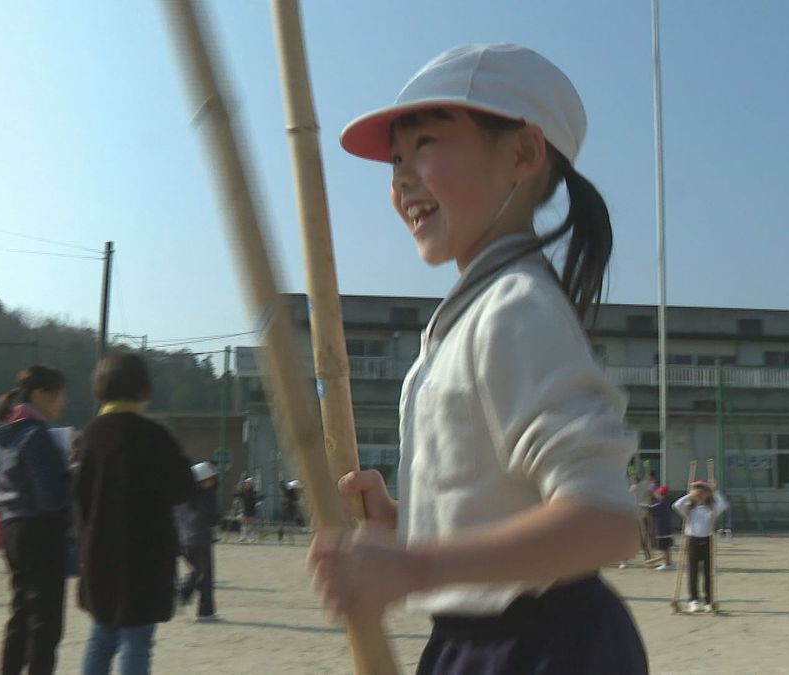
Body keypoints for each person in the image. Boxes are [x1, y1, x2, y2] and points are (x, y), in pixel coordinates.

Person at [309, 44, 647, 674]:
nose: (402, 178)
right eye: (396, 160)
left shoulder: (517, 308)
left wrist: (415, 566)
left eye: (427, 145)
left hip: (544, 649)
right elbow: (508, 505)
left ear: (522, 153)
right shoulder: (474, 313)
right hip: (481, 643)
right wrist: (407, 523)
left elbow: (605, 521)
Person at [74, 352, 194, 675]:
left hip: (98, 551)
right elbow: (183, 489)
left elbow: (78, 497)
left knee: (101, 635)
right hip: (145, 556)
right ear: (145, 390)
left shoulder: (88, 437)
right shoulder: (155, 436)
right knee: (136, 639)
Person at [0, 366, 72, 675]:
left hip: (13, 528)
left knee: (21, 617)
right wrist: (72, 475)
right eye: (60, 395)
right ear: (42, 395)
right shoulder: (36, 435)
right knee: (46, 625)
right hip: (41, 531)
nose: (62, 402)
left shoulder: (10, 432)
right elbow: (50, 497)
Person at [672, 480, 728, 612]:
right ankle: (693, 600)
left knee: (708, 572)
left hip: (707, 540)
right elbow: (676, 505)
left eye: (702, 493)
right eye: (697, 493)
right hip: (692, 540)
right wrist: (690, 494)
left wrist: (715, 491)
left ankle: (708, 601)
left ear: (707, 494)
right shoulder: (688, 508)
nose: (700, 496)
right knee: (693, 571)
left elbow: (723, 505)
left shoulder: (711, 508)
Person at [175, 461, 220, 621]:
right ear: (204, 480)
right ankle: (205, 611)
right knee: (205, 575)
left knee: (198, 572)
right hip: (201, 539)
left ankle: (183, 593)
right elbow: (212, 517)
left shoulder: (183, 496)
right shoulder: (207, 495)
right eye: (211, 479)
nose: (213, 482)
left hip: (184, 540)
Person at [642, 486, 675, 570]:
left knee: (664, 548)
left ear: (661, 494)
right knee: (666, 548)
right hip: (666, 529)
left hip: (662, 529)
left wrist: (638, 504)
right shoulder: (665, 502)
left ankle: (667, 564)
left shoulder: (661, 503)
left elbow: (650, 508)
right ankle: (668, 562)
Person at [277, 478, 303, 544]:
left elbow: (283, 488)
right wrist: (281, 481)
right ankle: (280, 539)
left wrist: (281, 481)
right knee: (281, 524)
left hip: (291, 508)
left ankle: (302, 527)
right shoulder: (290, 491)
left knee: (295, 517)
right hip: (286, 509)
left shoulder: (296, 493)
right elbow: (283, 488)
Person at [237, 476, 260, 543]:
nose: (247, 485)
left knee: (251, 523)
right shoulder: (243, 491)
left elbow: (256, 499)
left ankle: (251, 537)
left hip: (251, 509)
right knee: (244, 522)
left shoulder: (253, 492)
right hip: (245, 508)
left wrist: (257, 498)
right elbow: (237, 495)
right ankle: (243, 537)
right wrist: (237, 489)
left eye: (248, 484)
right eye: (246, 483)